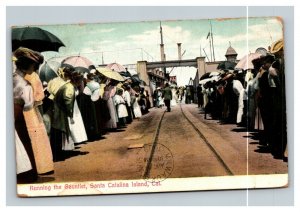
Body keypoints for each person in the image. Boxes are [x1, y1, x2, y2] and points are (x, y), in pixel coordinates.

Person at [13, 47, 54, 180]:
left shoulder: (11, 75)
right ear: (30, 65)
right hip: (28, 112)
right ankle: (38, 167)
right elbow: (36, 99)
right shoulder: (30, 80)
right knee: (32, 140)